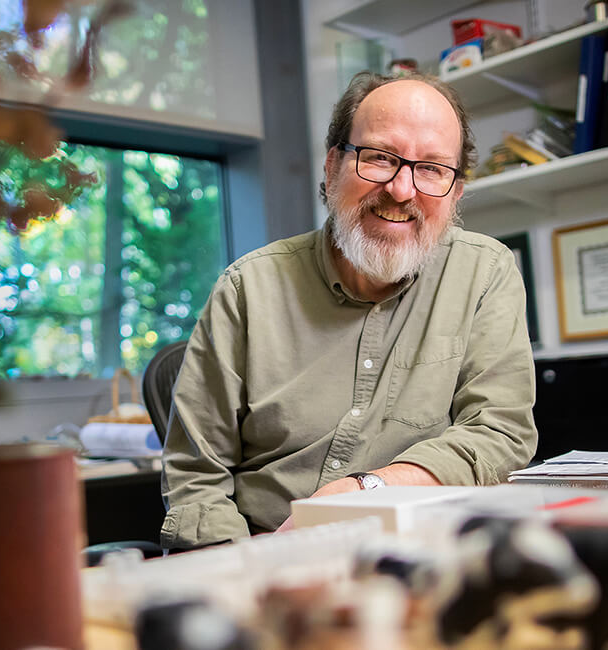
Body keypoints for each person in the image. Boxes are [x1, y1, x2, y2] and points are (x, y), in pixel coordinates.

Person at [159, 71, 538, 550]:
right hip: (267, 557)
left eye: (432, 169)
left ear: (455, 192)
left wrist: (368, 492)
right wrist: (245, 571)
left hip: (424, 556)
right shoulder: (246, 290)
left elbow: (499, 434)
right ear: (333, 165)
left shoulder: (485, 273)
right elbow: (196, 478)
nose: (403, 190)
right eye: (381, 158)